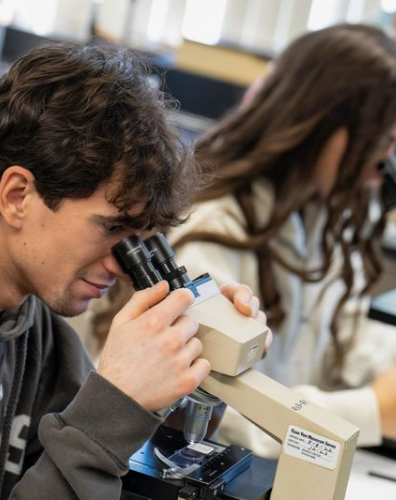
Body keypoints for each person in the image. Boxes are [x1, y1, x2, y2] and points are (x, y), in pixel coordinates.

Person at [0, 42, 268, 499]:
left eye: (134, 239)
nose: (121, 267)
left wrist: (195, 369)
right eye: (111, 227)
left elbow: (105, 467)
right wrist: (117, 403)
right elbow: (91, 444)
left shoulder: (36, 332)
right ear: (18, 195)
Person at [91, 23, 396, 458]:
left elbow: (334, 340)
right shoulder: (213, 234)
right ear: (323, 126)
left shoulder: (329, 214)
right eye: (381, 141)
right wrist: (370, 411)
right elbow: (215, 420)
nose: (384, 162)